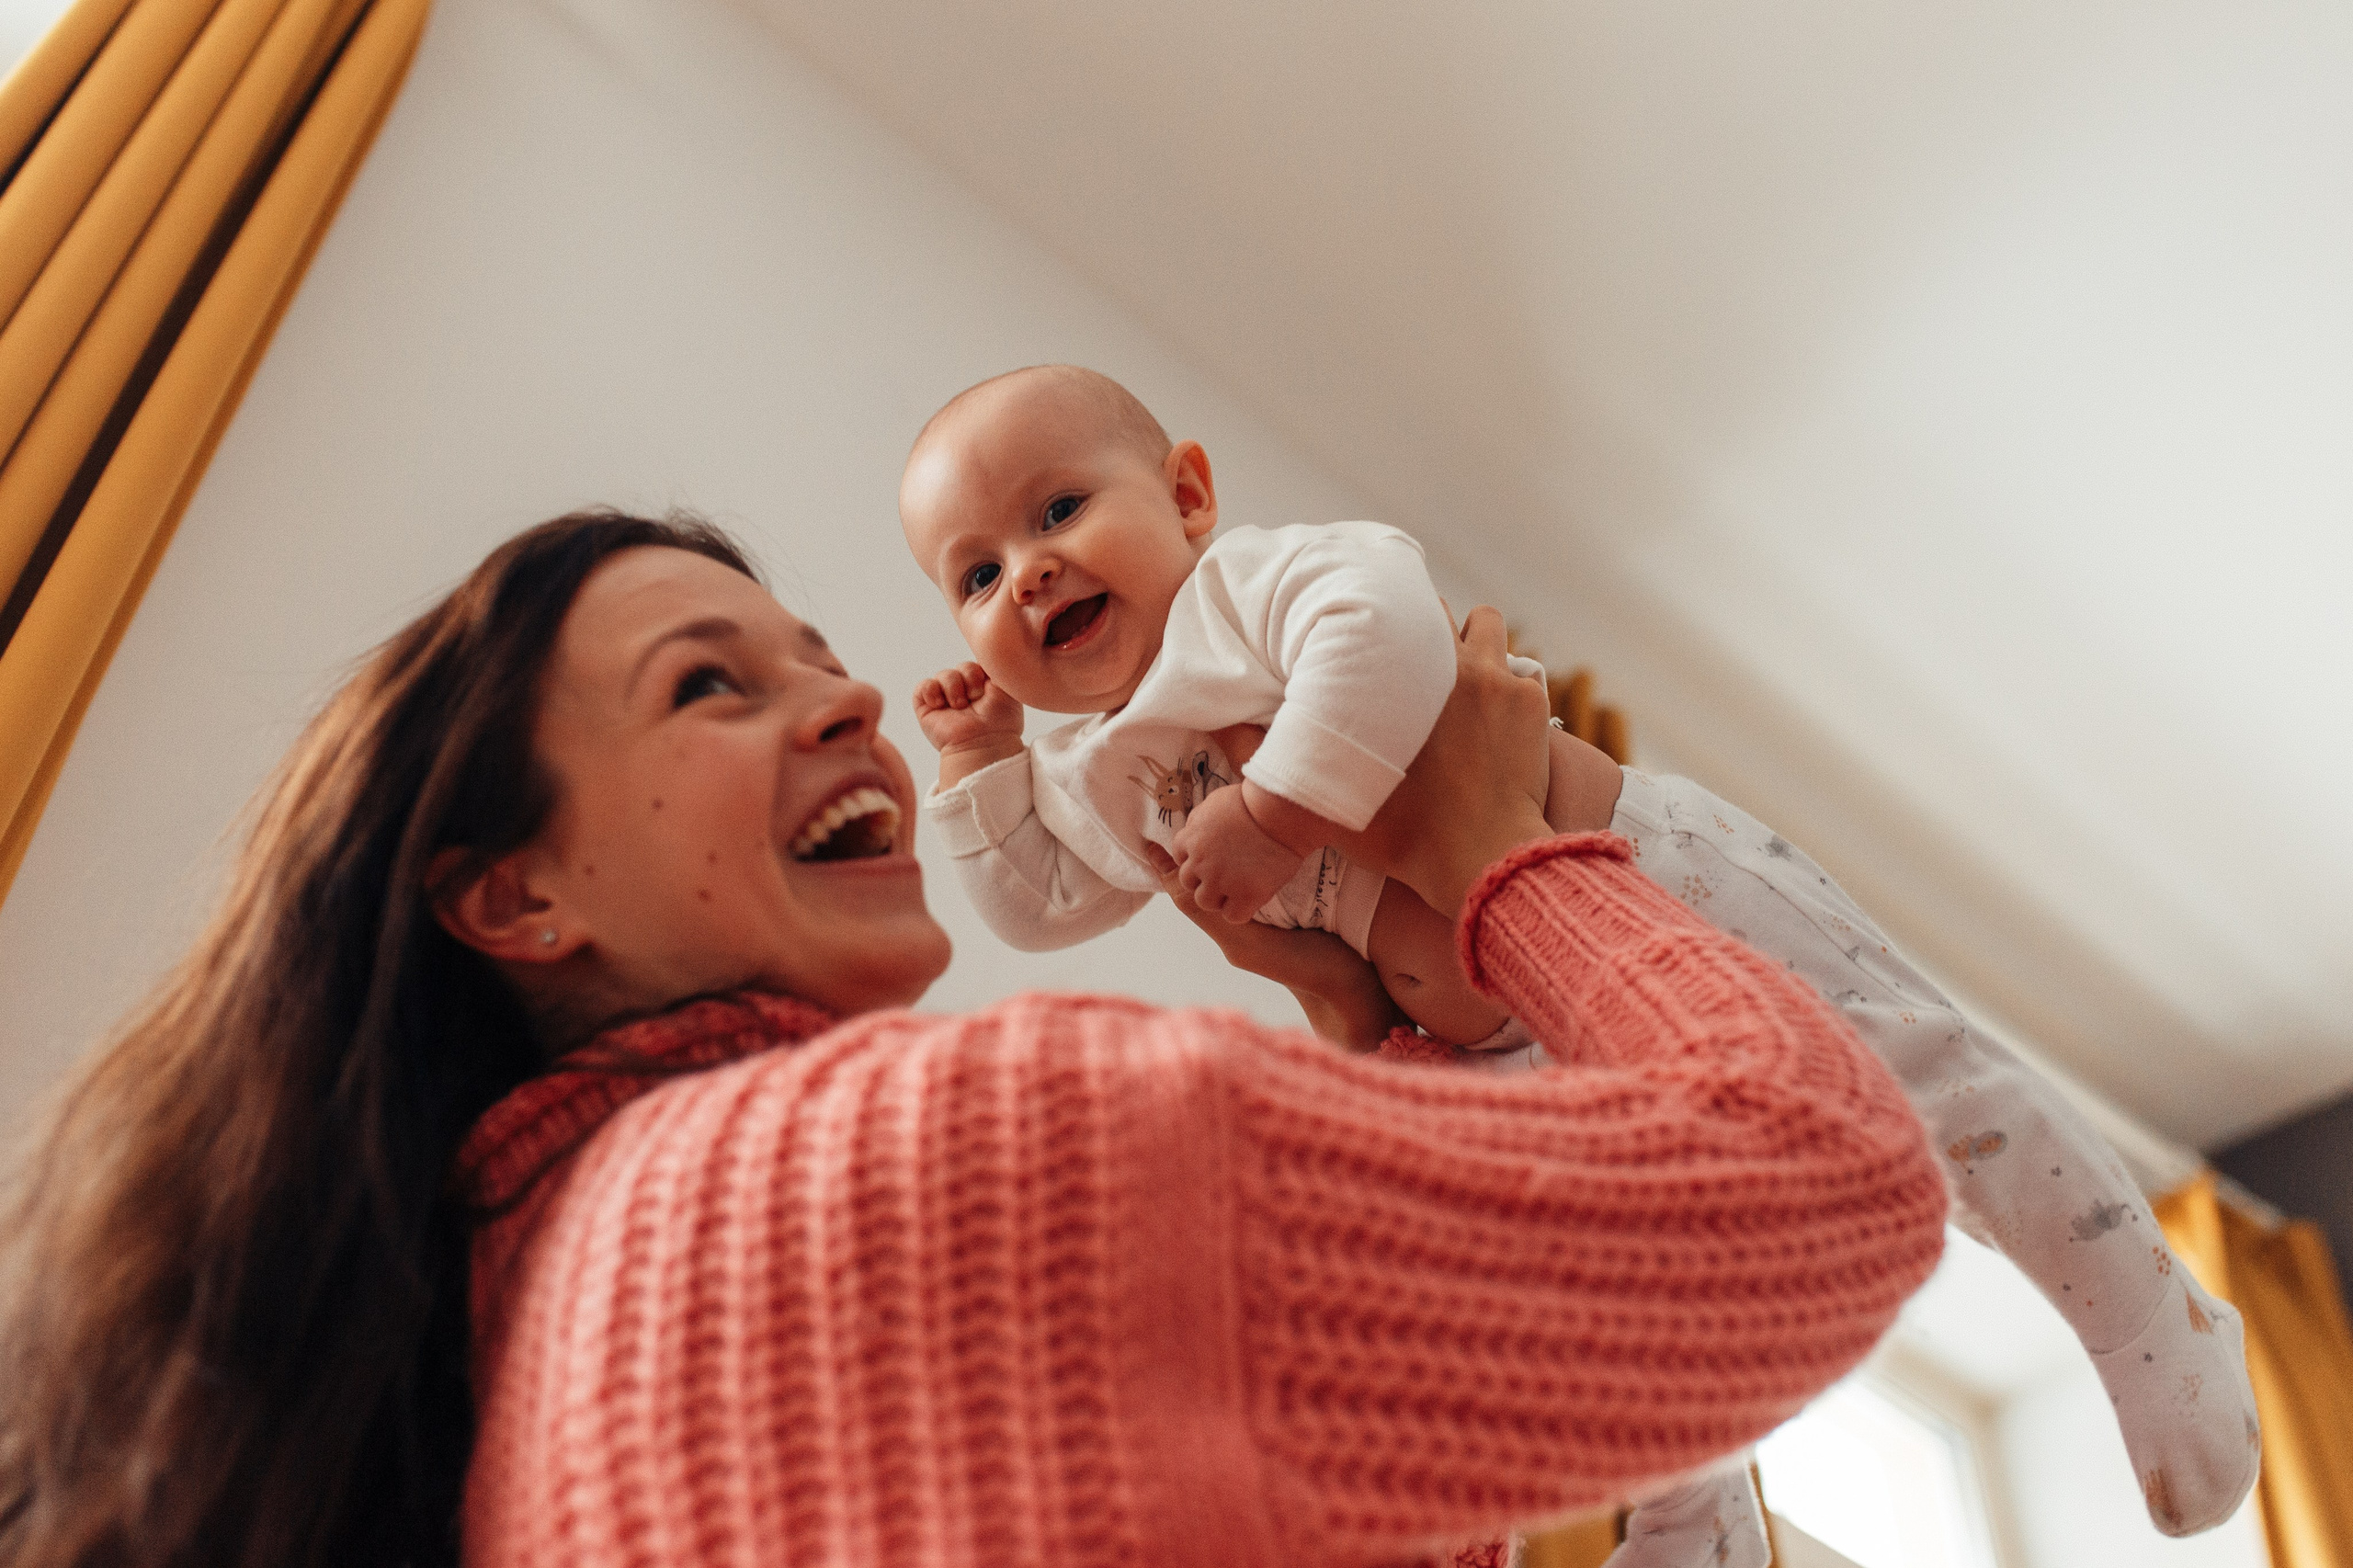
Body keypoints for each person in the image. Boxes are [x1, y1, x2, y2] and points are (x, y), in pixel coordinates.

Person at [0, 509, 1945, 1568]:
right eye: (708, 684)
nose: (849, 703)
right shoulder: (906, 1152)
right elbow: (1813, 1182)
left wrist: (1374, 1024)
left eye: (816, 656)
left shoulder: (529, 1334)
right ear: (514, 897)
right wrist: (1499, 856)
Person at [899, 366, 2257, 1567]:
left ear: (1188, 493)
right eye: (974, 574)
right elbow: (1042, 904)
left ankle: (2149, 1319)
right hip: (1499, 1037)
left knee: (1920, 1085)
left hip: (1641, 879)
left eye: (1058, 511)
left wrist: (1271, 815)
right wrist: (976, 772)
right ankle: (1693, 1520)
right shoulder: (1100, 770)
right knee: (1612, 1292)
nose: (1026, 570)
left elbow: (1386, 636)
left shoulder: (1246, 591)